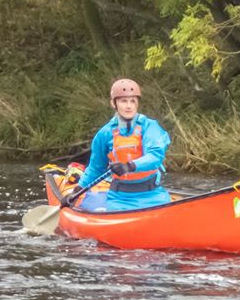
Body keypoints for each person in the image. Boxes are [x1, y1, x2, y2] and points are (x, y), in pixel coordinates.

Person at [74, 78, 172, 212]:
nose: (129, 106)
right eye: (123, 101)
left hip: (153, 195)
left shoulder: (150, 127)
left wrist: (129, 166)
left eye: (133, 101)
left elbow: (155, 157)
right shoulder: (105, 134)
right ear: (114, 103)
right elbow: (96, 168)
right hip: (120, 198)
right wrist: (77, 190)